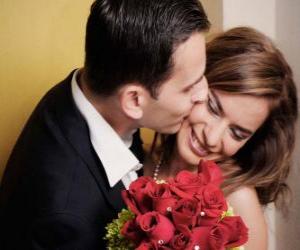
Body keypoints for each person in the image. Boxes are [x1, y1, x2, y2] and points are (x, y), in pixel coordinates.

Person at [0, 0, 210, 249]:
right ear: (133, 100)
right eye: (189, 87)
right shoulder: (68, 220)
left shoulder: (82, 88)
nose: (203, 93)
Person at [144, 27, 298, 250]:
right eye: (213, 107)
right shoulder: (137, 158)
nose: (212, 138)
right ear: (195, 81)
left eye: (237, 133)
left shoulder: (239, 201)